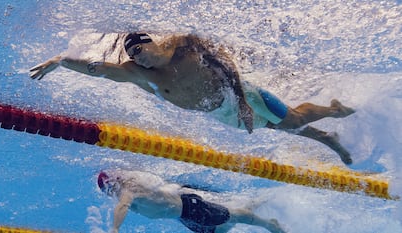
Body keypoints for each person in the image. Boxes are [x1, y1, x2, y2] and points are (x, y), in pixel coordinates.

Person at [29, 32, 355, 164]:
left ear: (151, 43)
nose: (137, 58)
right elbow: (99, 69)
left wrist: (242, 101)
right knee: (284, 128)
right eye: (132, 55)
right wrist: (60, 61)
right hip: (219, 113)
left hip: (241, 95)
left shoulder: (185, 47)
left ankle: (331, 115)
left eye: (139, 50)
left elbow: (226, 64)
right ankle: (328, 135)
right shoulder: (140, 73)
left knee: (294, 120)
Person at [97, 170, 287, 233]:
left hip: (189, 208)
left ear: (117, 182)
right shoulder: (125, 190)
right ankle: (254, 204)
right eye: (109, 191)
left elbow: (123, 205)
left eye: (111, 188)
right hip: (183, 217)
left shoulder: (129, 188)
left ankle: (268, 224)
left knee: (231, 216)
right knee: (220, 229)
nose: (112, 193)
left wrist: (114, 229)